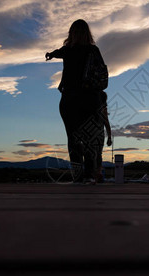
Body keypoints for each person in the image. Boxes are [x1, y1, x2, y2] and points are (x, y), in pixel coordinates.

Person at [45, 19, 107, 183]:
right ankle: (88, 175)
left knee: (73, 138)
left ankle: (78, 175)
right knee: (88, 138)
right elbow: (102, 72)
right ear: (88, 33)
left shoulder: (68, 50)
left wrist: (50, 54)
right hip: (89, 99)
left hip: (70, 99)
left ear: (71, 33)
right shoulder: (93, 50)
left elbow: (57, 52)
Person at [94, 91, 113, 183]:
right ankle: (96, 174)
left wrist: (109, 137)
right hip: (96, 134)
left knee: (97, 155)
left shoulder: (102, 109)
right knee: (96, 155)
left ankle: (97, 174)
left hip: (98, 134)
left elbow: (106, 123)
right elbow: (107, 123)